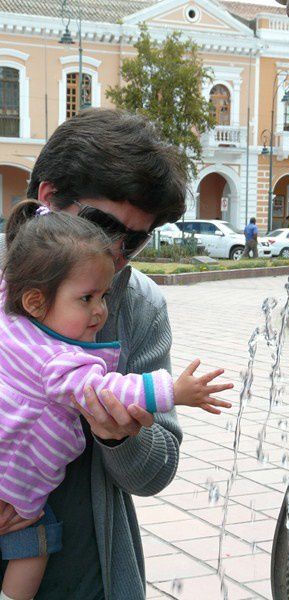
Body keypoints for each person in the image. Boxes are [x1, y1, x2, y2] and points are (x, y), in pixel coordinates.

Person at [0, 108, 233, 600]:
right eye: (104, 225)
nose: (116, 251)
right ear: (48, 196)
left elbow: (155, 471)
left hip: (86, 570)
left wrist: (119, 440)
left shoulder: (140, 307)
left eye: (135, 239)